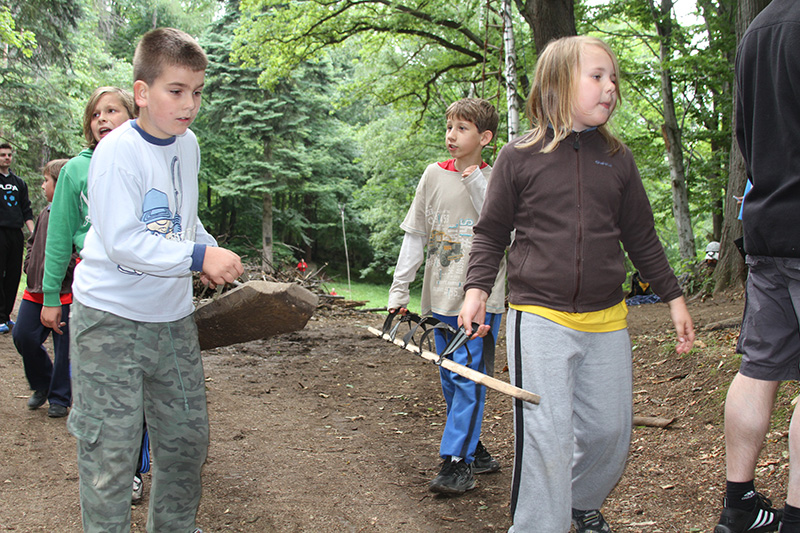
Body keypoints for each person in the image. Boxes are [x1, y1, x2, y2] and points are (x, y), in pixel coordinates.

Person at [458, 36, 694, 532]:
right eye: (597, 77)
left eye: (614, 79)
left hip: (606, 318)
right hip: (539, 316)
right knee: (548, 435)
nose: (610, 88)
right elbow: (491, 233)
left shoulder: (618, 158)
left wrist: (674, 297)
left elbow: (641, 237)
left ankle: (577, 502)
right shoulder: (519, 156)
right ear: (559, 83)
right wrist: (476, 291)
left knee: (611, 432)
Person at [67, 27, 243, 533]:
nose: (190, 104)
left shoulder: (188, 145)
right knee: (111, 451)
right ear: (142, 93)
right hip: (109, 320)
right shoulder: (116, 153)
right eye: (177, 90)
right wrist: (197, 255)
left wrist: (206, 248)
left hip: (172, 320)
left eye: (198, 92)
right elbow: (123, 240)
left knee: (186, 440)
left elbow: (182, 218)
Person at [387, 98, 507, 495]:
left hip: (481, 301)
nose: (451, 135)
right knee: (451, 377)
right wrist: (399, 289)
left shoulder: (497, 179)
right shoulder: (433, 175)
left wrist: (475, 181)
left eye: (462, 128)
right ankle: (473, 447)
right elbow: (416, 236)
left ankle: (457, 461)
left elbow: (502, 228)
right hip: (438, 298)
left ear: (485, 138)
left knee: (469, 377)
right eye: (449, 126)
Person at [40, 86, 150, 502]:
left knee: (140, 388)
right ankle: (111, 468)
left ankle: (133, 467)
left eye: (112, 110)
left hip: (146, 293)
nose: (102, 119)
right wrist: (51, 296)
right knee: (105, 389)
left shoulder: (147, 160)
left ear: (133, 114)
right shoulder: (75, 171)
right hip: (98, 294)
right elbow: (58, 237)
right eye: (95, 114)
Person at [713, 1, 800, 531]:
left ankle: (739, 505)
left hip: (765, 224)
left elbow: (745, 133)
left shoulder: (759, 28)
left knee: (758, 368)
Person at [12, 159, 74, 418]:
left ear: (60, 184)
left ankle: (60, 397)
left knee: (64, 348)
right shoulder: (44, 212)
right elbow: (32, 242)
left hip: (65, 293)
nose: (42, 186)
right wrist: (30, 264)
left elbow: (78, 249)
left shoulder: (75, 214)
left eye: (46, 181)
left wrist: (65, 272)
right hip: (35, 290)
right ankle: (42, 383)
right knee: (23, 336)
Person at [0, 142, 35, 333]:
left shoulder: (19, 183)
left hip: (16, 233)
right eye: (3, 155)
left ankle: (6, 316)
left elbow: (26, 210)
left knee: (14, 275)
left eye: (9, 155)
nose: (7, 158)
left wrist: (34, 233)